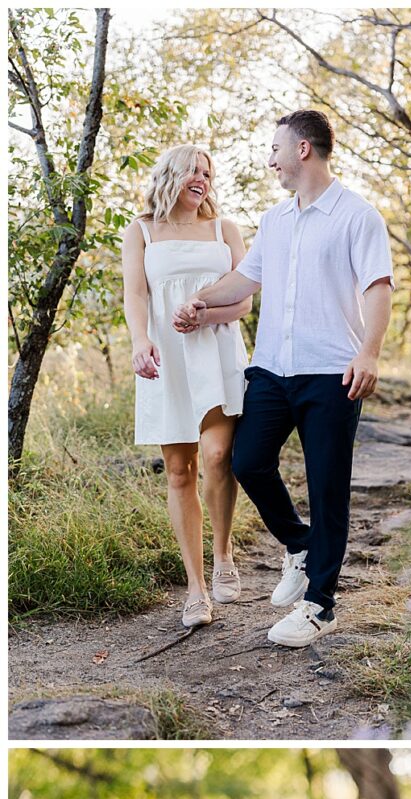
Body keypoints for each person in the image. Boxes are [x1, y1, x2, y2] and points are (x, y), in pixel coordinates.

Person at [173, 109, 392, 649]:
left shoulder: (357, 216)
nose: (269, 159)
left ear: (302, 150)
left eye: (275, 149)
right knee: (246, 460)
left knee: (327, 487)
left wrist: (370, 352)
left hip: (330, 372)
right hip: (271, 370)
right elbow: (246, 278)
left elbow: (378, 287)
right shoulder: (274, 220)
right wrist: (201, 300)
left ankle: (320, 606)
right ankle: (300, 546)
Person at [122, 144, 247, 629]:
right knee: (179, 471)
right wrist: (140, 341)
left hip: (216, 354)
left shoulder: (224, 230)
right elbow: (135, 294)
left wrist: (203, 312)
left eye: (208, 172)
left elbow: (243, 301)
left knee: (218, 457)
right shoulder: (141, 231)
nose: (202, 178)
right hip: (166, 357)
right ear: (172, 174)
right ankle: (195, 588)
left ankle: (224, 554)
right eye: (194, 170)